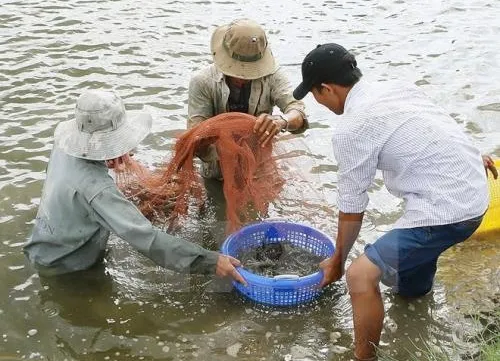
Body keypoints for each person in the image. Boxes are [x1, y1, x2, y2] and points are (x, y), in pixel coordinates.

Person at [293, 43, 498, 360]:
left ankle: (364, 358)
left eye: (315, 95)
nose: (318, 102)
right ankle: (418, 309)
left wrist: (337, 261)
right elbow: (439, 125)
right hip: (471, 190)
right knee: (409, 286)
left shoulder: (352, 127)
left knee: (360, 276)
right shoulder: (395, 87)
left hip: (449, 210)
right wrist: (471, 157)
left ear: (326, 88)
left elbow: (352, 208)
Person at [23, 90, 246, 286]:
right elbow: (147, 239)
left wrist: (108, 156)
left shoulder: (64, 146)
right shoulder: (96, 190)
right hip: (68, 268)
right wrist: (210, 261)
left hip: (44, 246)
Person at [187, 18, 308, 180]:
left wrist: (281, 121)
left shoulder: (273, 76)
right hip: (216, 172)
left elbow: (297, 112)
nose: (243, 77)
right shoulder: (202, 81)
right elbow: (195, 135)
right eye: (237, 71)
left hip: (259, 170)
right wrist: (213, 140)